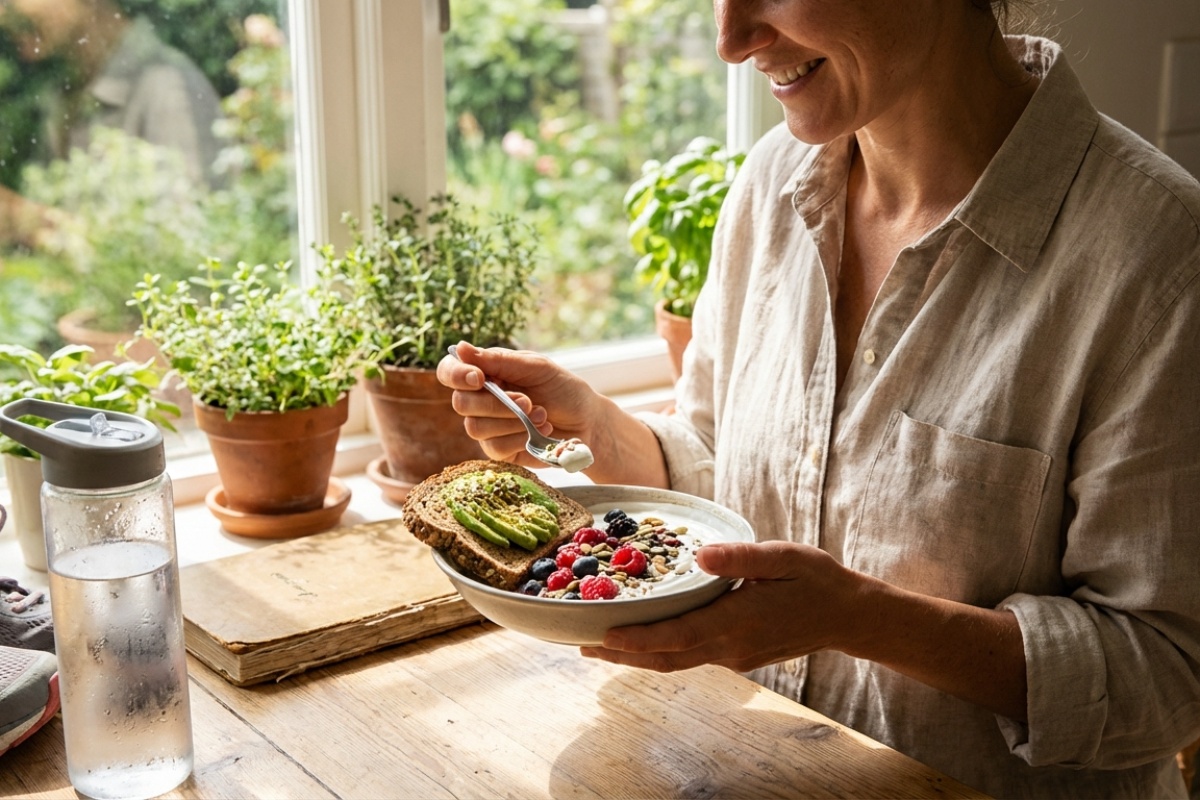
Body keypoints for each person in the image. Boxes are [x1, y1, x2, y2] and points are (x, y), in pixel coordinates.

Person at [437, 0, 1200, 797]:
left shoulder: (1160, 259)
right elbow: (719, 471)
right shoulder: (772, 180)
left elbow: (1170, 676)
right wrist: (598, 427)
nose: (732, 41)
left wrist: (861, 619)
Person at [0, 0, 222, 244]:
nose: (2, 13)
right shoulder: (64, 95)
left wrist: (33, 223)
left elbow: (187, 248)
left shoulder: (167, 86)